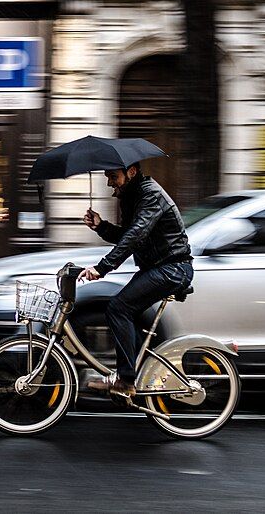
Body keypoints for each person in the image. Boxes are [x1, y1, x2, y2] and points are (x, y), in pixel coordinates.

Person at [78, 163, 193, 399]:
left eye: (113, 176)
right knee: (128, 315)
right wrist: (101, 226)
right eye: (107, 177)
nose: (109, 182)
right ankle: (138, 372)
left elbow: (135, 235)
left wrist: (102, 268)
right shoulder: (133, 196)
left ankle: (126, 380)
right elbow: (129, 236)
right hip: (158, 268)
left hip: (172, 268)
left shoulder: (150, 194)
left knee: (118, 309)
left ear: (131, 171)